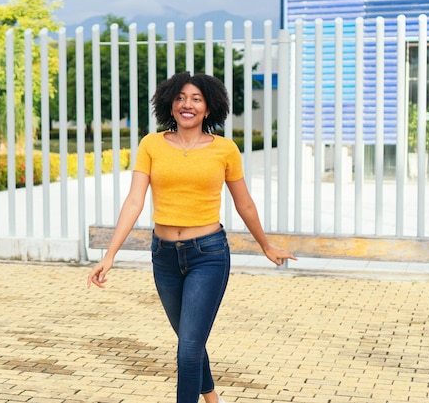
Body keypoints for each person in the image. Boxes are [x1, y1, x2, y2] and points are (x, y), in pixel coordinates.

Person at [87, 71, 296, 403]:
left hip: (208, 255)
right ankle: (213, 398)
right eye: (181, 97)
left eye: (196, 99)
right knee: (190, 340)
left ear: (209, 108)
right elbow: (134, 200)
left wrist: (266, 245)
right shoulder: (151, 144)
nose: (188, 104)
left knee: (187, 350)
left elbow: (244, 203)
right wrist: (110, 254)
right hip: (164, 256)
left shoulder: (224, 150)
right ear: (170, 105)